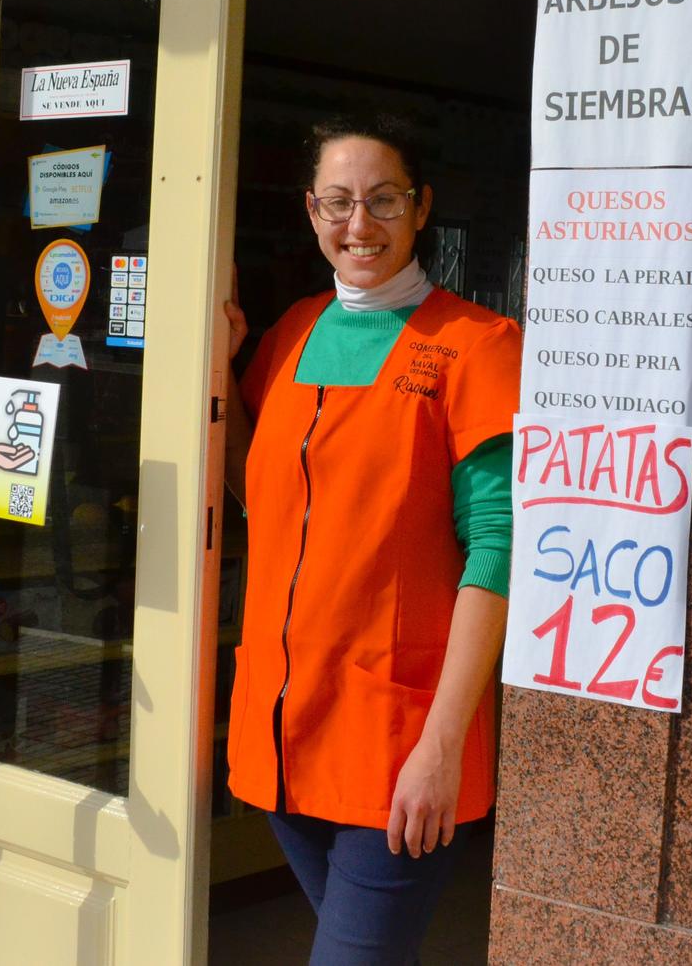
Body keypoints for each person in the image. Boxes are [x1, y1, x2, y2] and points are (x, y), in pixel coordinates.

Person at [223, 113, 521, 965]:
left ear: (422, 207)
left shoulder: (478, 347)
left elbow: (495, 549)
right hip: (284, 731)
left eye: (384, 199)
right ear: (311, 211)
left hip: (399, 749)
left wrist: (441, 747)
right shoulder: (291, 335)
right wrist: (218, 371)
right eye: (339, 202)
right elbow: (257, 494)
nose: (360, 225)